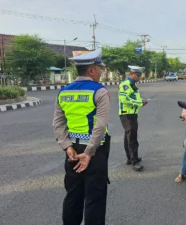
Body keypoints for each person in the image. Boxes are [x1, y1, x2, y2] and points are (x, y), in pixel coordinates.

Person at [52, 49, 111, 225]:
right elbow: (100, 126)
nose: (102, 71)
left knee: (73, 195)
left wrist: (67, 147)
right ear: (91, 70)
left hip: (72, 151)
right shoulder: (99, 92)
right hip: (94, 150)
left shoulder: (63, 92)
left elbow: (58, 123)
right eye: (100, 68)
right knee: (94, 198)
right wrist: (89, 152)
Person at [118, 65, 148, 171]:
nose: (139, 77)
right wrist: (139, 103)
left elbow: (132, 97)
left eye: (140, 75)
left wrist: (141, 101)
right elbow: (124, 99)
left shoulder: (132, 84)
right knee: (132, 138)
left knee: (128, 137)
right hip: (127, 114)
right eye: (138, 75)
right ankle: (134, 161)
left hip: (131, 113)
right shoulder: (126, 84)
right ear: (131, 74)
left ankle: (130, 158)